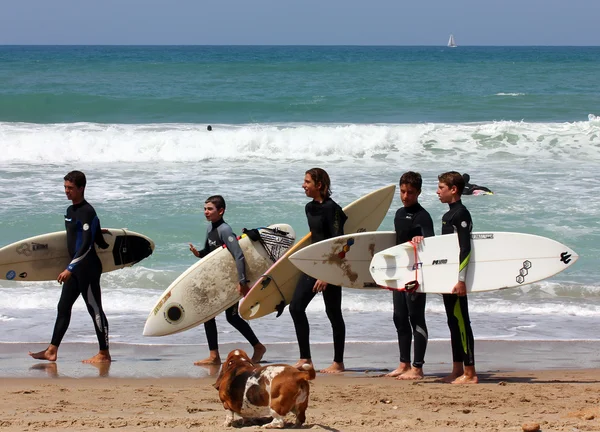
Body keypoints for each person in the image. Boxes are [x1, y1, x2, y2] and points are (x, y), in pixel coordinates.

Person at [29, 170, 111, 364]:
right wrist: (98, 231)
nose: (67, 191)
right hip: (76, 268)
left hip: (87, 268)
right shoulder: (70, 211)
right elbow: (96, 239)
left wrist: (70, 269)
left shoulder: (87, 211)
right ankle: (52, 350)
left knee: (95, 309)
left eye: (71, 188)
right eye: (65, 187)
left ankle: (104, 354)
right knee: (63, 307)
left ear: (81, 188)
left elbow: (86, 245)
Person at [188, 195, 266, 365]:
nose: (206, 212)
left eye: (210, 209)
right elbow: (210, 253)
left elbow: (239, 256)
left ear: (221, 211)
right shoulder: (210, 229)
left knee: (231, 317)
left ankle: (258, 347)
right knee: (209, 315)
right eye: (205, 209)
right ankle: (214, 355)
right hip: (219, 280)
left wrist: (242, 281)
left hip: (232, 281)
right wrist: (198, 253)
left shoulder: (225, 230)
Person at [289, 168, 348, 374]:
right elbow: (316, 239)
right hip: (314, 265)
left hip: (331, 268)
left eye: (307, 182)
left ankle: (338, 363)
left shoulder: (334, 209)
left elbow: (339, 244)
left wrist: (327, 275)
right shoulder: (309, 208)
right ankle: (306, 359)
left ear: (319, 185)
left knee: (333, 313)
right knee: (296, 307)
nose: (303, 185)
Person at [386, 171, 434, 380]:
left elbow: (432, 242)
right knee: (399, 318)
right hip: (400, 273)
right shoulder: (398, 213)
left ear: (419, 193)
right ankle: (403, 363)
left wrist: (421, 238)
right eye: (403, 191)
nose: (405, 196)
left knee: (416, 318)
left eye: (410, 193)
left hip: (416, 275)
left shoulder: (422, 215)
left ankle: (418, 367)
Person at [437, 171, 478, 384]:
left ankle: (470, 373)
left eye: (441, 188)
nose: (437, 191)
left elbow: (465, 249)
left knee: (462, 323)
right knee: (453, 322)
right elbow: (447, 253)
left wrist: (461, 279)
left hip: (457, 279)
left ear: (453, 190)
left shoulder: (461, 213)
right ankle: (456, 369)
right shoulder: (448, 215)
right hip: (449, 278)